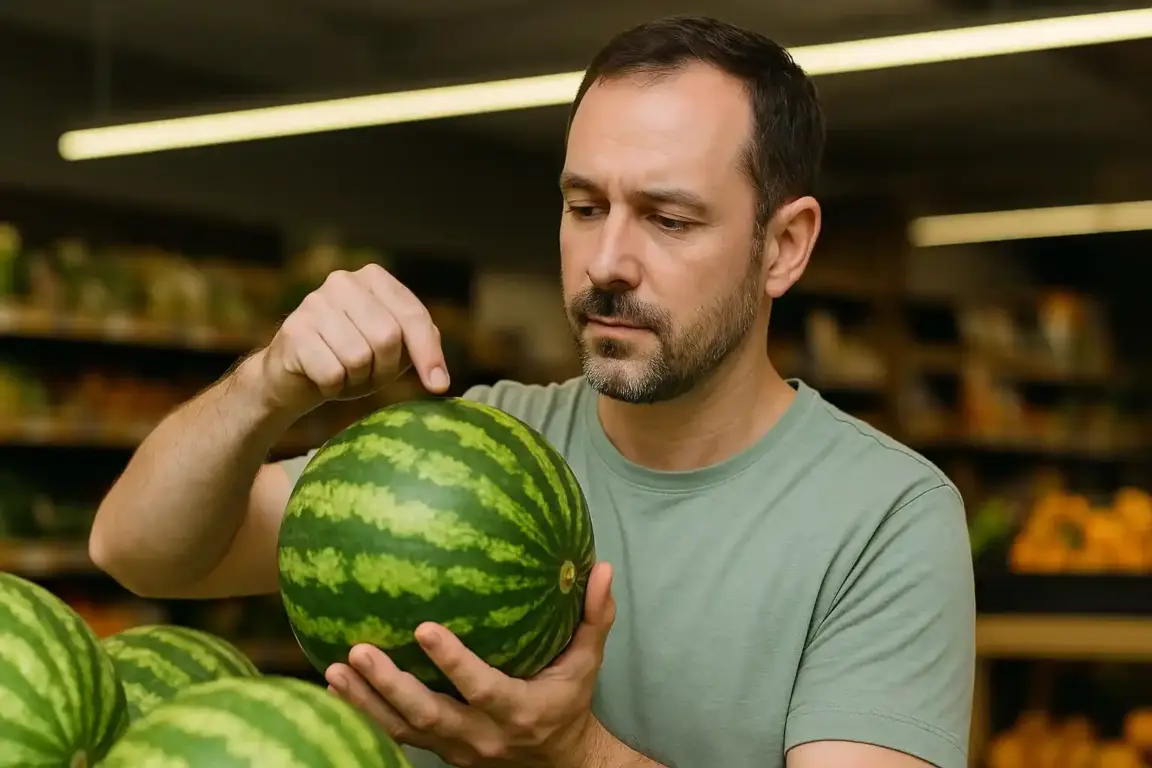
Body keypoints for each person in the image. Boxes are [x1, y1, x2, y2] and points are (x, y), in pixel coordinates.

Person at [89, 14, 975, 768]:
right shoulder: (479, 441)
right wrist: (267, 387)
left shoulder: (885, 517)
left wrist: (574, 753)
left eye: (668, 219)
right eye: (584, 207)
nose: (607, 263)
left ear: (783, 246)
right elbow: (138, 550)